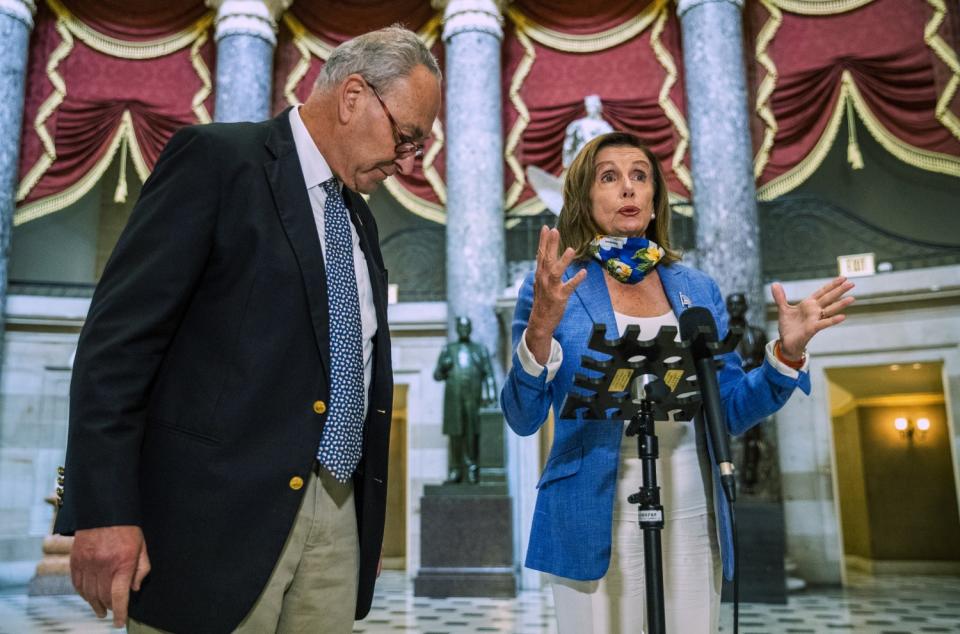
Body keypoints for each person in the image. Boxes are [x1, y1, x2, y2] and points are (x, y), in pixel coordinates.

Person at [54, 26, 442, 634]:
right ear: (353, 96)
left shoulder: (360, 222)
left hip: (336, 515)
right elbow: (117, 346)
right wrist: (103, 510)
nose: (409, 160)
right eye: (407, 136)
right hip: (213, 525)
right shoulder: (217, 162)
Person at [500, 131, 854, 633]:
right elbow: (521, 415)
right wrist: (539, 328)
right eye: (610, 177)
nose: (628, 188)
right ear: (584, 196)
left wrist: (785, 353)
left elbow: (727, 406)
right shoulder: (556, 288)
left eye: (640, 176)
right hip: (588, 506)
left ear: (654, 197)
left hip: (691, 500)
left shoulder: (695, 288)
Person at [433, 316, 497, 484]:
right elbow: (437, 375)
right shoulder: (449, 349)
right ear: (457, 329)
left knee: (471, 433)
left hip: (473, 397)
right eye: (461, 327)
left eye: (466, 327)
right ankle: (455, 470)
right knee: (455, 433)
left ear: (470, 329)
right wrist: (443, 366)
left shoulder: (479, 349)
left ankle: (472, 468)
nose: (464, 330)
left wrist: (492, 395)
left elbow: (489, 374)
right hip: (454, 398)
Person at [726, 292, 771, 494]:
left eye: (739, 305)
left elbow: (767, 363)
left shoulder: (758, 334)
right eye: (732, 305)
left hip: (752, 390)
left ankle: (750, 479)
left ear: (745, 307)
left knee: (753, 438)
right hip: (728, 390)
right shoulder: (720, 333)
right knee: (725, 434)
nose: (735, 309)